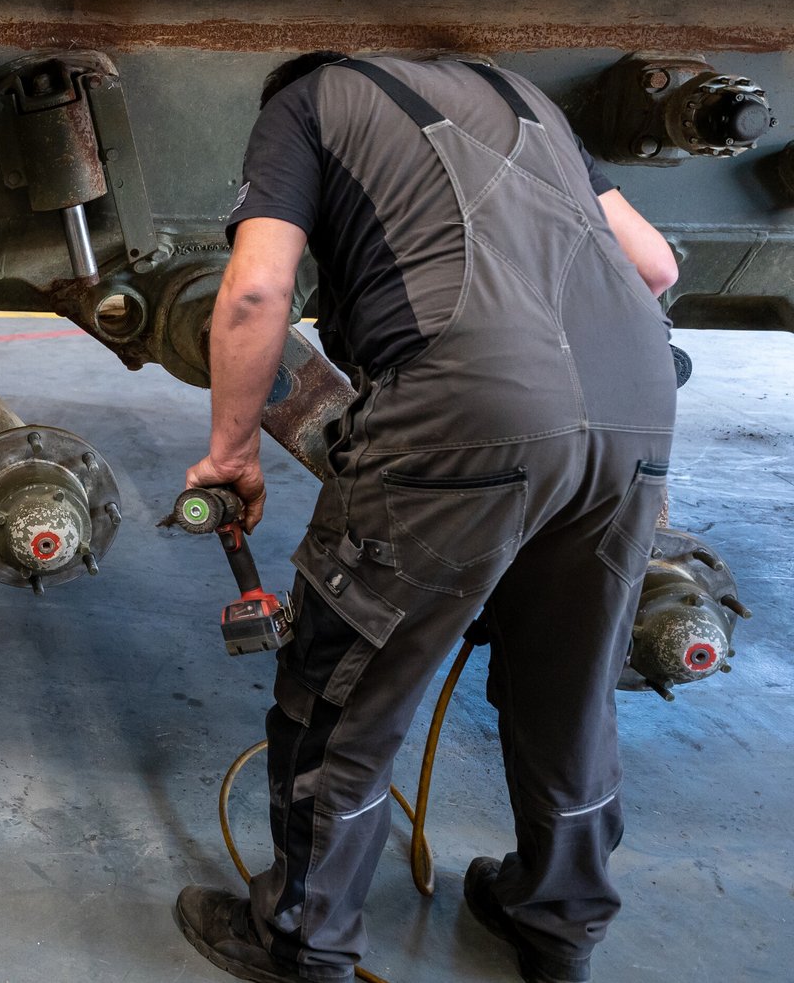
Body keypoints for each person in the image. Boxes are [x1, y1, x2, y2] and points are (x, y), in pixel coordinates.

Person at [175, 53, 680, 983]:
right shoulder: (527, 94)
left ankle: (301, 938)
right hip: (638, 404)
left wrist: (233, 450)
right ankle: (557, 923)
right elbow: (654, 265)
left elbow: (254, 290)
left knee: (346, 687)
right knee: (572, 684)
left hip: (465, 410)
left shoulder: (302, 100)